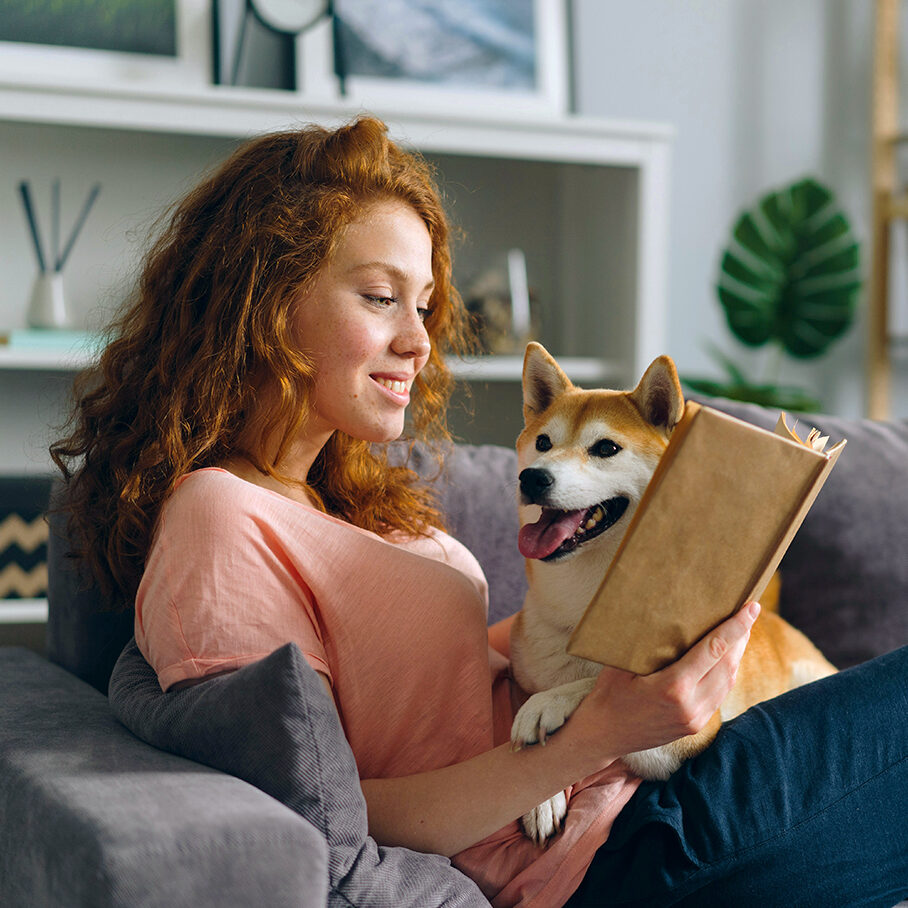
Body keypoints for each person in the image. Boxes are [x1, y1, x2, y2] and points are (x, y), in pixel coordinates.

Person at [51, 116, 908, 908]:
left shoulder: (342, 502)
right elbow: (324, 815)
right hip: (612, 854)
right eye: (381, 297)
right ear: (266, 302)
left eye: (423, 307)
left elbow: (440, 685)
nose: (422, 342)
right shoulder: (220, 518)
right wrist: (591, 735)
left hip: (637, 782)